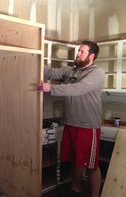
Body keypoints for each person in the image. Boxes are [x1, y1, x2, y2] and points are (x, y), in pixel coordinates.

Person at [38, 40, 104, 197]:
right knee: (76, 160)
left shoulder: (96, 73)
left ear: (91, 56)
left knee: (91, 165)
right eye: (78, 50)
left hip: (88, 126)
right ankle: (76, 189)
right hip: (70, 123)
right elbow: (50, 73)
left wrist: (50, 88)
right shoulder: (71, 71)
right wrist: (35, 59)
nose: (78, 54)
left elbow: (77, 89)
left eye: (82, 52)